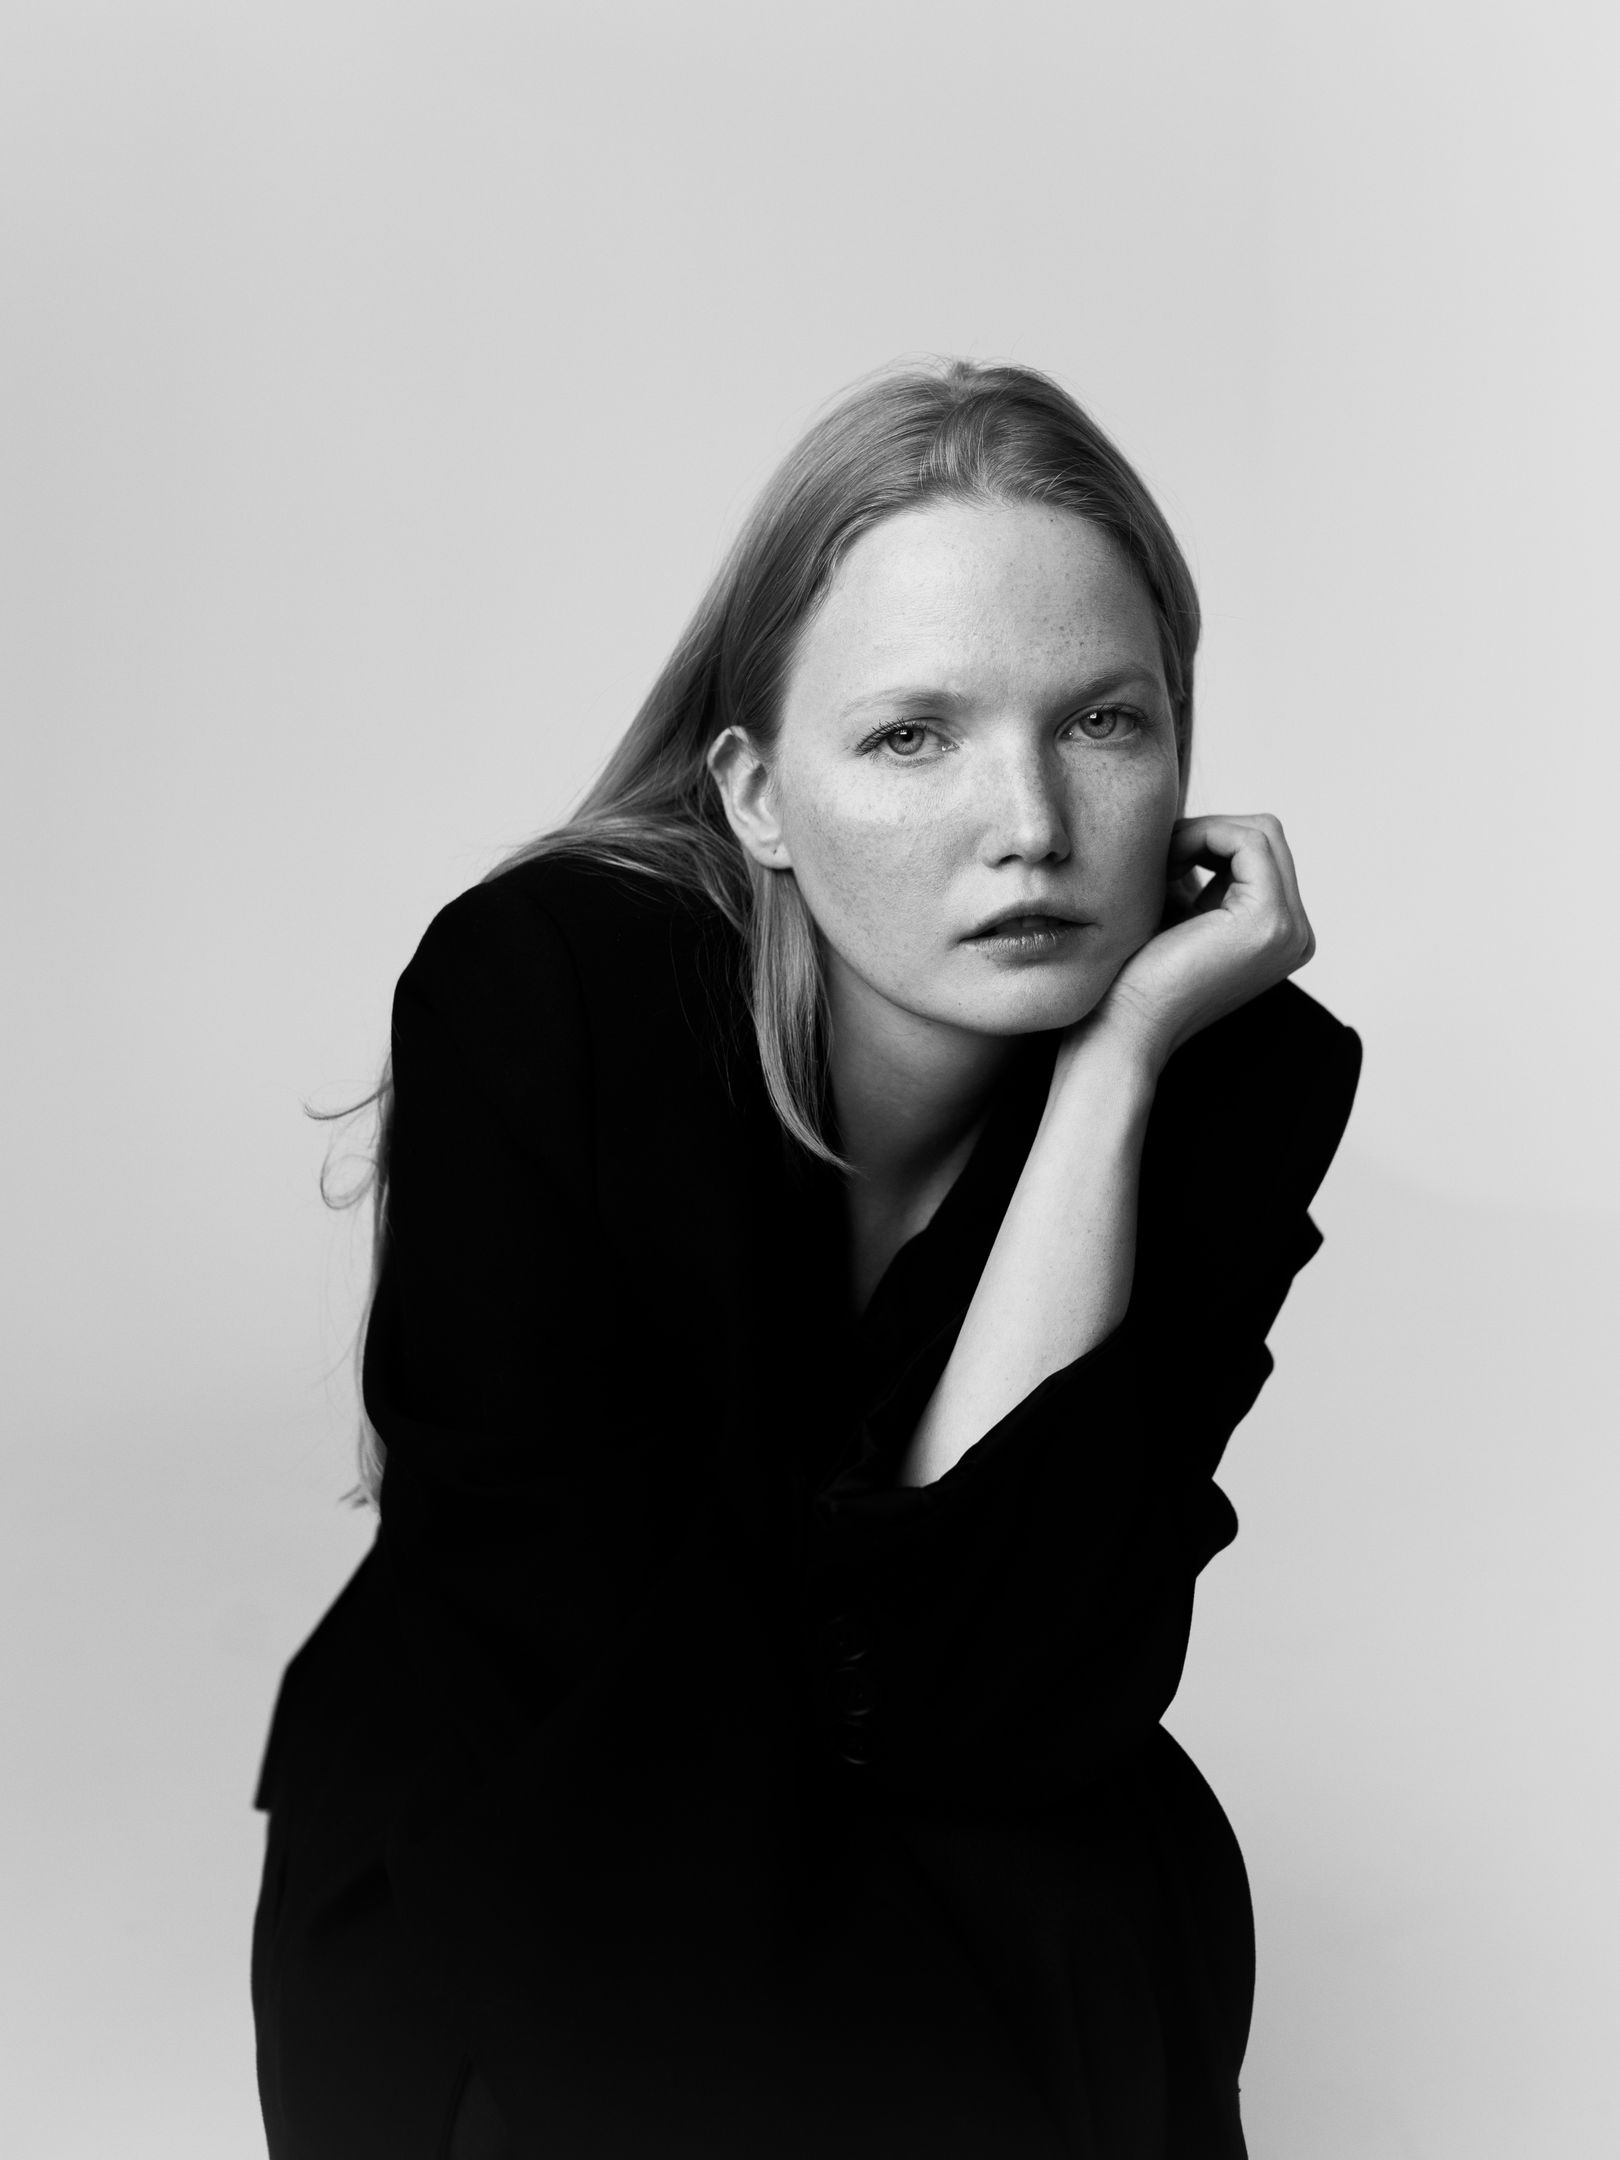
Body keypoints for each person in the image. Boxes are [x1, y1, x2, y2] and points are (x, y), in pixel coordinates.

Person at [251, 358, 1362, 2160]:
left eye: (1104, 722)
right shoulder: (548, 999)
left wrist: (1114, 1069)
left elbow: (1010, 1682)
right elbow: (569, 1668)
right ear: (756, 793)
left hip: (967, 1797)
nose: (1031, 823)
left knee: (1084, 1871)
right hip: (551, 1820)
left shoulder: (1229, 1079)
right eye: (915, 735)